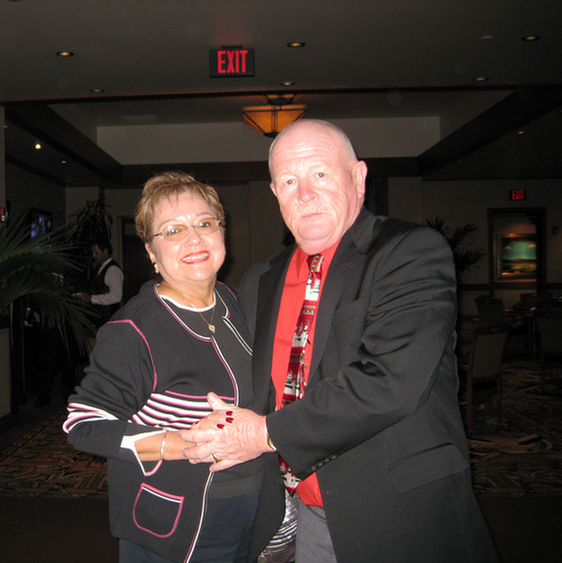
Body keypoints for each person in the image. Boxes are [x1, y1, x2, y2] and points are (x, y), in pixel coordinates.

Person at [180, 120, 499, 563]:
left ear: (359, 178)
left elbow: (388, 382)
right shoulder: (260, 280)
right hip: (299, 512)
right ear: (275, 193)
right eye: (289, 181)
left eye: (321, 174)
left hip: (395, 511)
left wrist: (261, 432)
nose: (304, 193)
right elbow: (229, 375)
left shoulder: (410, 253)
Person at [64, 171, 282, 563]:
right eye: (173, 230)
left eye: (204, 224)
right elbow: (84, 425)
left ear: (222, 233)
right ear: (150, 251)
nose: (193, 239)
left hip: (253, 504)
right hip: (179, 525)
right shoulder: (135, 329)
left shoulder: (237, 304)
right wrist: (185, 445)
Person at [76, 239, 124, 327]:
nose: (93, 256)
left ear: (105, 251)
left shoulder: (113, 270)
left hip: (109, 319)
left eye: (96, 252)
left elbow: (116, 296)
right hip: (102, 319)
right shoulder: (102, 267)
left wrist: (91, 298)